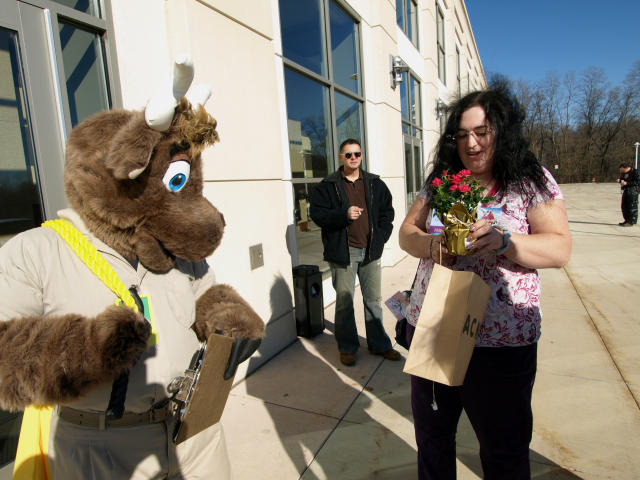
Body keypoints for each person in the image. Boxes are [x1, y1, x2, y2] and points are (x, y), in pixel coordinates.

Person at [399, 88, 571, 479]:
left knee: (504, 450)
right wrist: (431, 244)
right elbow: (407, 232)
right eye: (462, 134)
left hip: (501, 342)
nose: (471, 143)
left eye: (482, 131)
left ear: (502, 131)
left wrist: (506, 242)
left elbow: (560, 247)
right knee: (433, 441)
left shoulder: (530, 181)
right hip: (437, 325)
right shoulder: (443, 180)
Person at [310, 138, 399, 366]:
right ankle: (347, 347)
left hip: (370, 251)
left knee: (373, 301)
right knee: (344, 302)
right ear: (341, 157)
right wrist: (343, 215)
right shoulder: (328, 185)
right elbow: (317, 215)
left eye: (357, 154)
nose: (353, 158)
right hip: (344, 252)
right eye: (348, 154)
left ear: (361, 156)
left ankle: (380, 345)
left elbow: (387, 213)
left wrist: (381, 238)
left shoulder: (374, 183)